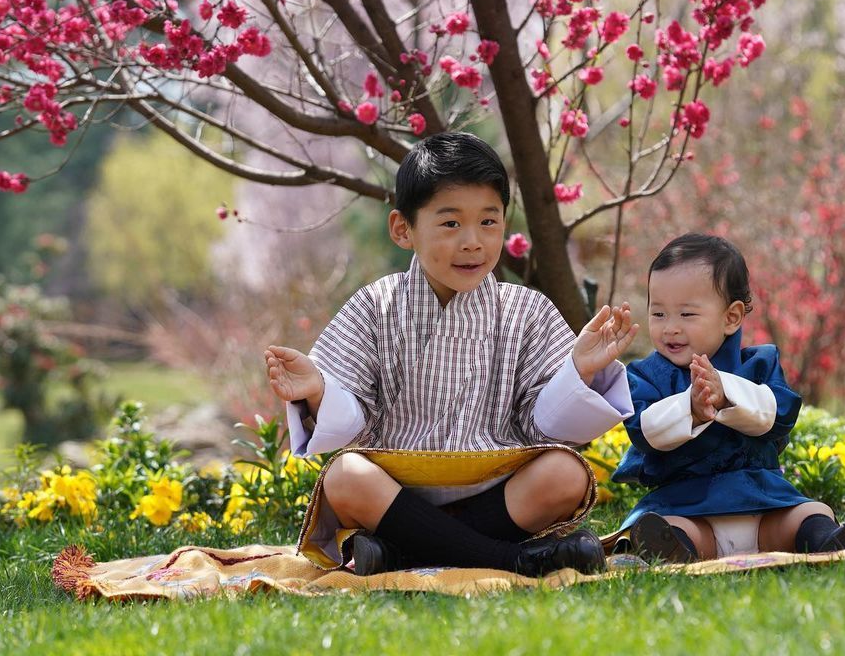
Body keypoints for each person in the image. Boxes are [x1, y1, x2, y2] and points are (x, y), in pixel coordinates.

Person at [265, 132, 639, 577]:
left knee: (567, 473)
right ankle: (510, 559)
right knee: (345, 476)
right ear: (403, 229)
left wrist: (578, 371)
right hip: (396, 492)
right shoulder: (374, 306)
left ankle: (402, 552)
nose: (472, 242)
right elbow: (351, 421)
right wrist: (319, 390)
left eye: (488, 222)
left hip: (500, 489)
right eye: (450, 224)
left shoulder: (527, 310)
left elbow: (545, 428)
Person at [611, 233, 845, 562]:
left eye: (686, 315)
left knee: (807, 513)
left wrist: (726, 394)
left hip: (764, 502)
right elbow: (644, 431)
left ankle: (828, 539)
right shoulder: (646, 375)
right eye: (658, 314)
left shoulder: (759, 364)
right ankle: (674, 551)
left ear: (731, 317)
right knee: (668, 527)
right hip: (686, 506)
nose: (670, 327)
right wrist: (691, 408)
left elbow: (778, 415)